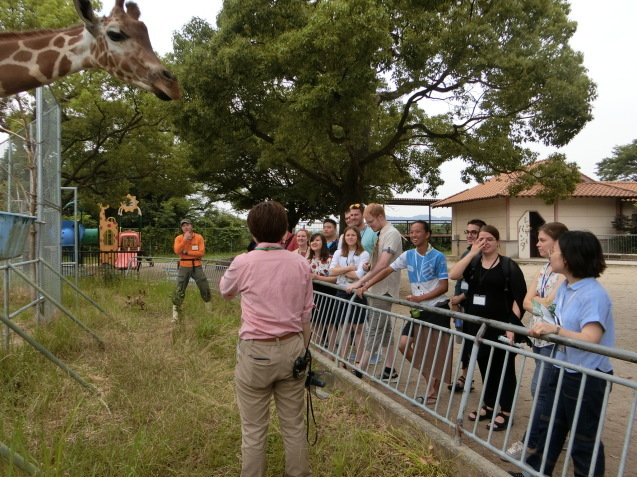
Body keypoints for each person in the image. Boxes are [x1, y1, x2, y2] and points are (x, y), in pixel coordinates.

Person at [219, 201, 313, 477]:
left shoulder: (243, 262)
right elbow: (306, 314)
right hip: (294, 346)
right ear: (286, 231)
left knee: (254, 428)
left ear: (252, 231)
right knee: (294, 424)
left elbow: (225, 291)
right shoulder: (300, 262)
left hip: (255, 351)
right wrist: (306, 351)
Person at [509, 231, 615, 477]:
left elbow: (591, 338)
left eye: (555, 250)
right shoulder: (567, 287)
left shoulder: (593, 294)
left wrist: (555, 330)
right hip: (564, 367)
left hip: (587, 377)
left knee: (583, 439)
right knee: (551, 428)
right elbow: (550, 314)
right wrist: (544, 328)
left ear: (568, 258)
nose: (550, 254)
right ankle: (533, 473)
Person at [356, 221, 450, 402]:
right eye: (411, 232)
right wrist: (365, 285)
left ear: (427, 234)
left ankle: (432, 391)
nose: (414, 235)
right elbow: (386, 270)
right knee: (403, 345)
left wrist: (420, 299)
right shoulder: (408, 255)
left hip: (437, 308)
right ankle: (429, 379)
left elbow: (444, 286)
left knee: (434, 351)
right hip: (419, 309)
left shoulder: (438, 257)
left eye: (418, 232)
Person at [448, 225, 527, 431]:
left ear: (498, 242)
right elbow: (454, 275)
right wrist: (472, 252)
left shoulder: (508, 265)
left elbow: (519, 298)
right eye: (481, 239)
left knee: (504, 368)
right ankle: (490, 405)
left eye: (490, 239)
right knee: (484, 365)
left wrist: (512, 325)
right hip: (477, 325)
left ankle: (506, 411)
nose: (485, 242)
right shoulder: (473, 263)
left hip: (501, 326)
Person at [506, 222, 568, 460]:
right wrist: (540, 302)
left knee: (543, 392)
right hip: (540, 338)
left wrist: (539, 302)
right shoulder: (544, 269)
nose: (538, 244)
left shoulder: (565, 272)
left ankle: (532, 441)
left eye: (542, 240)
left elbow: (549, 303)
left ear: (558, 241)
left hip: (555, 340)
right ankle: (554, 434)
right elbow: (526, 302)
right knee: (540, 390)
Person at [347, 203, 403, 382]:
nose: (368, 225)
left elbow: (384, 264)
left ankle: (360, 369)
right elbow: (377, 262)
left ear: (380, 216)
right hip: (376, 287)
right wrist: (368, 266)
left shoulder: (391, 233)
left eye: (370, 221)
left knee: (374, 330)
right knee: (384, 329)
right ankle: (389, 369)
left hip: (384, 288)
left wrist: (362, 282)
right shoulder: (381, 233)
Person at [448, 218, 486, 392]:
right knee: (465, 343)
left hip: (475, 306)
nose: (470, 235)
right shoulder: (466, 254)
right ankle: (465, 377)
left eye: (474, 232)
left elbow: (478, 284)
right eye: (468, 232)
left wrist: (461, 297)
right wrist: (456, 300)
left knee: (476, 345)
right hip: (462, 305)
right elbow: (458, 279)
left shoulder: (482, 256)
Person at [326, 226, 370, 363]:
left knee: (358, 327)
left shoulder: (364, 254)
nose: (350, 237)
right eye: (347, 235)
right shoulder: (339, 253)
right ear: (344, 238)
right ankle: (342, 358)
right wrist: (349, 268)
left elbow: (358, 275)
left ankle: (359, 359)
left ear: (357, 237)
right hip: (341, 291)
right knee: (343, 327)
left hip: (356, 293)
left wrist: (340, 269)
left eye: (353, 235)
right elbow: (331, 271)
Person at [172, 218, 211, 322]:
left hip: (197, 265)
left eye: (187, 225)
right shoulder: (179, 238)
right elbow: (177, 251)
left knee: (204, 286)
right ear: (181, 228)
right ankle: (175, 315)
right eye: (183, 225)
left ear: (191, 226)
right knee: (179, 288)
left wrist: (187, 252)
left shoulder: (198, 237)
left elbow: (201, 252)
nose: (186, 227)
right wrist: (184, 240)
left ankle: (208, 310)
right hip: (184, 265)